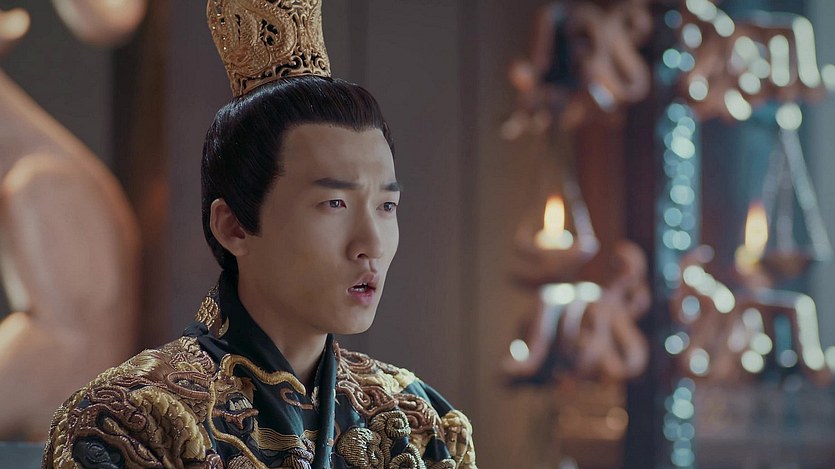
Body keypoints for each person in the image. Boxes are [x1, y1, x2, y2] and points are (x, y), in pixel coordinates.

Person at [42, 1, 477, 468]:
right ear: (233, 226)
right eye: (335, 204)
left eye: (386, 206)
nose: (371, 244)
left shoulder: (420, 422)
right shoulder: (128, 421)